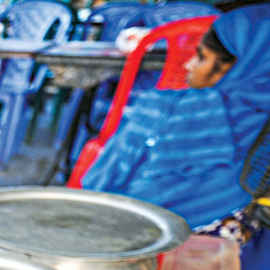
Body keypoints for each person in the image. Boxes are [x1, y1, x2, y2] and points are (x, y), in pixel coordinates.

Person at [82, 5, 270, 240]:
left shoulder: (164, 108)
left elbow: (96, 185)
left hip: (133, 236)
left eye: (201, 56)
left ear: (237, 68)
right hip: (234, 254)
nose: (188, 64)